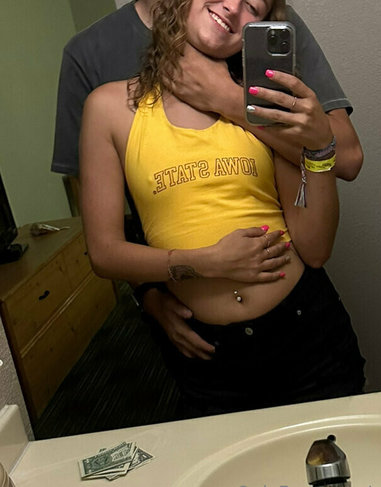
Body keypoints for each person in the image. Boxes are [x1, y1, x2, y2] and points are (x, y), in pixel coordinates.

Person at [79, 0, 365, 418]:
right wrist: (204, 263)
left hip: (307, 337)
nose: (232, 6)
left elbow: (317, 249)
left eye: (252, 6)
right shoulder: (109, 108)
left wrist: (319, 146)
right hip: (210, 361)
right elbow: (104, 253)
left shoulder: (267, 107)